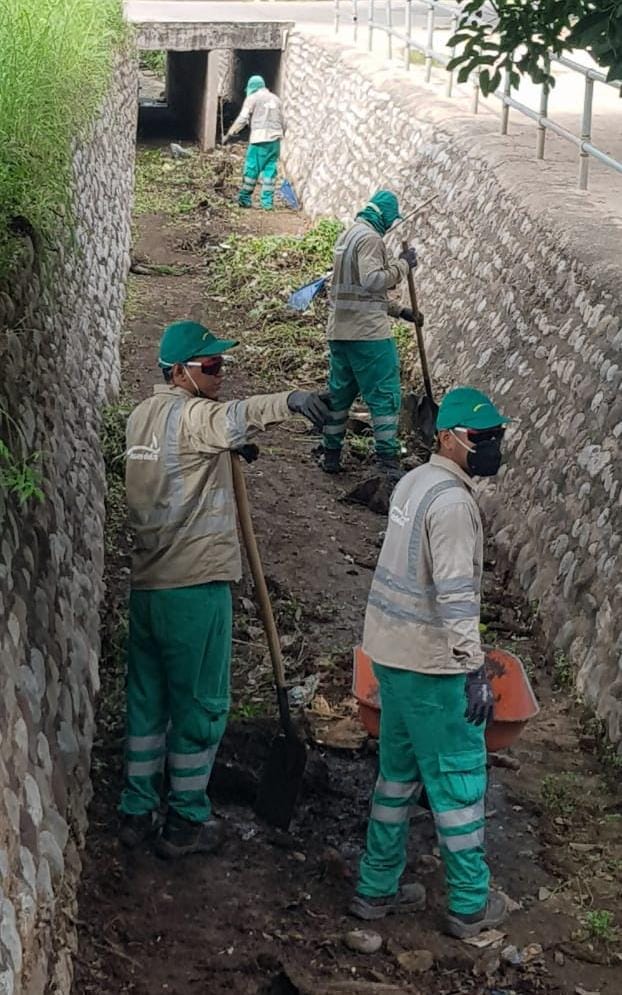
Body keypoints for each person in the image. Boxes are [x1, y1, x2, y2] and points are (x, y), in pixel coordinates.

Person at [119, 319, 330, 858]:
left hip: (148, 589)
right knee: (202, 705)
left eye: (220, 365)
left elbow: (189, 454)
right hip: (195, 588)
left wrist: (229, 450)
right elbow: (234, 416)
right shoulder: (195, 416)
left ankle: (136, 809)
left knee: (147, 703)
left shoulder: (143, 415)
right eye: (210, 366)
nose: (219, 375)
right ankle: (186, 820)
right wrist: (292, 399)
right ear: (178, 372)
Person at [350, 386, 512, 938]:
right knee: (460, 780)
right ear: (447, 437)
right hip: (432, 665)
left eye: (495, 436)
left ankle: (377, 887)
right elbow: (456, 593)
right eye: (479, 437)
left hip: (391, 655)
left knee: (397, 774)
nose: (489, 446)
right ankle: (470, 902)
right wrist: (474, 668)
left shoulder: (414, 482)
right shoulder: (453, 505)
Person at [321, 189, 420, 480]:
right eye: (390, 221)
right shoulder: (370, 240)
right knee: (385, 395)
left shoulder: (347, 236)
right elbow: (373, 281)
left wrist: (401, 312)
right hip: (369, 336)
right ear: (384, 217)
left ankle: (331, 454)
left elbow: (356, 292)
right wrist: (402, 265)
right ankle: (388, 461)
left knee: (340, 395)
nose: (389, 227)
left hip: (340, 331)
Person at [224, 75, 284, 210]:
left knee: (251, 169)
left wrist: (230, 133)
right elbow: (283, 121)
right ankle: (267, 203)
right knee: (270, 170)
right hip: (275, 141)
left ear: (252, 87)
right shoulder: (277, 99)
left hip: (258, 140)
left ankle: (244, 198)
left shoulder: (252, 98)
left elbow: (243, 118)